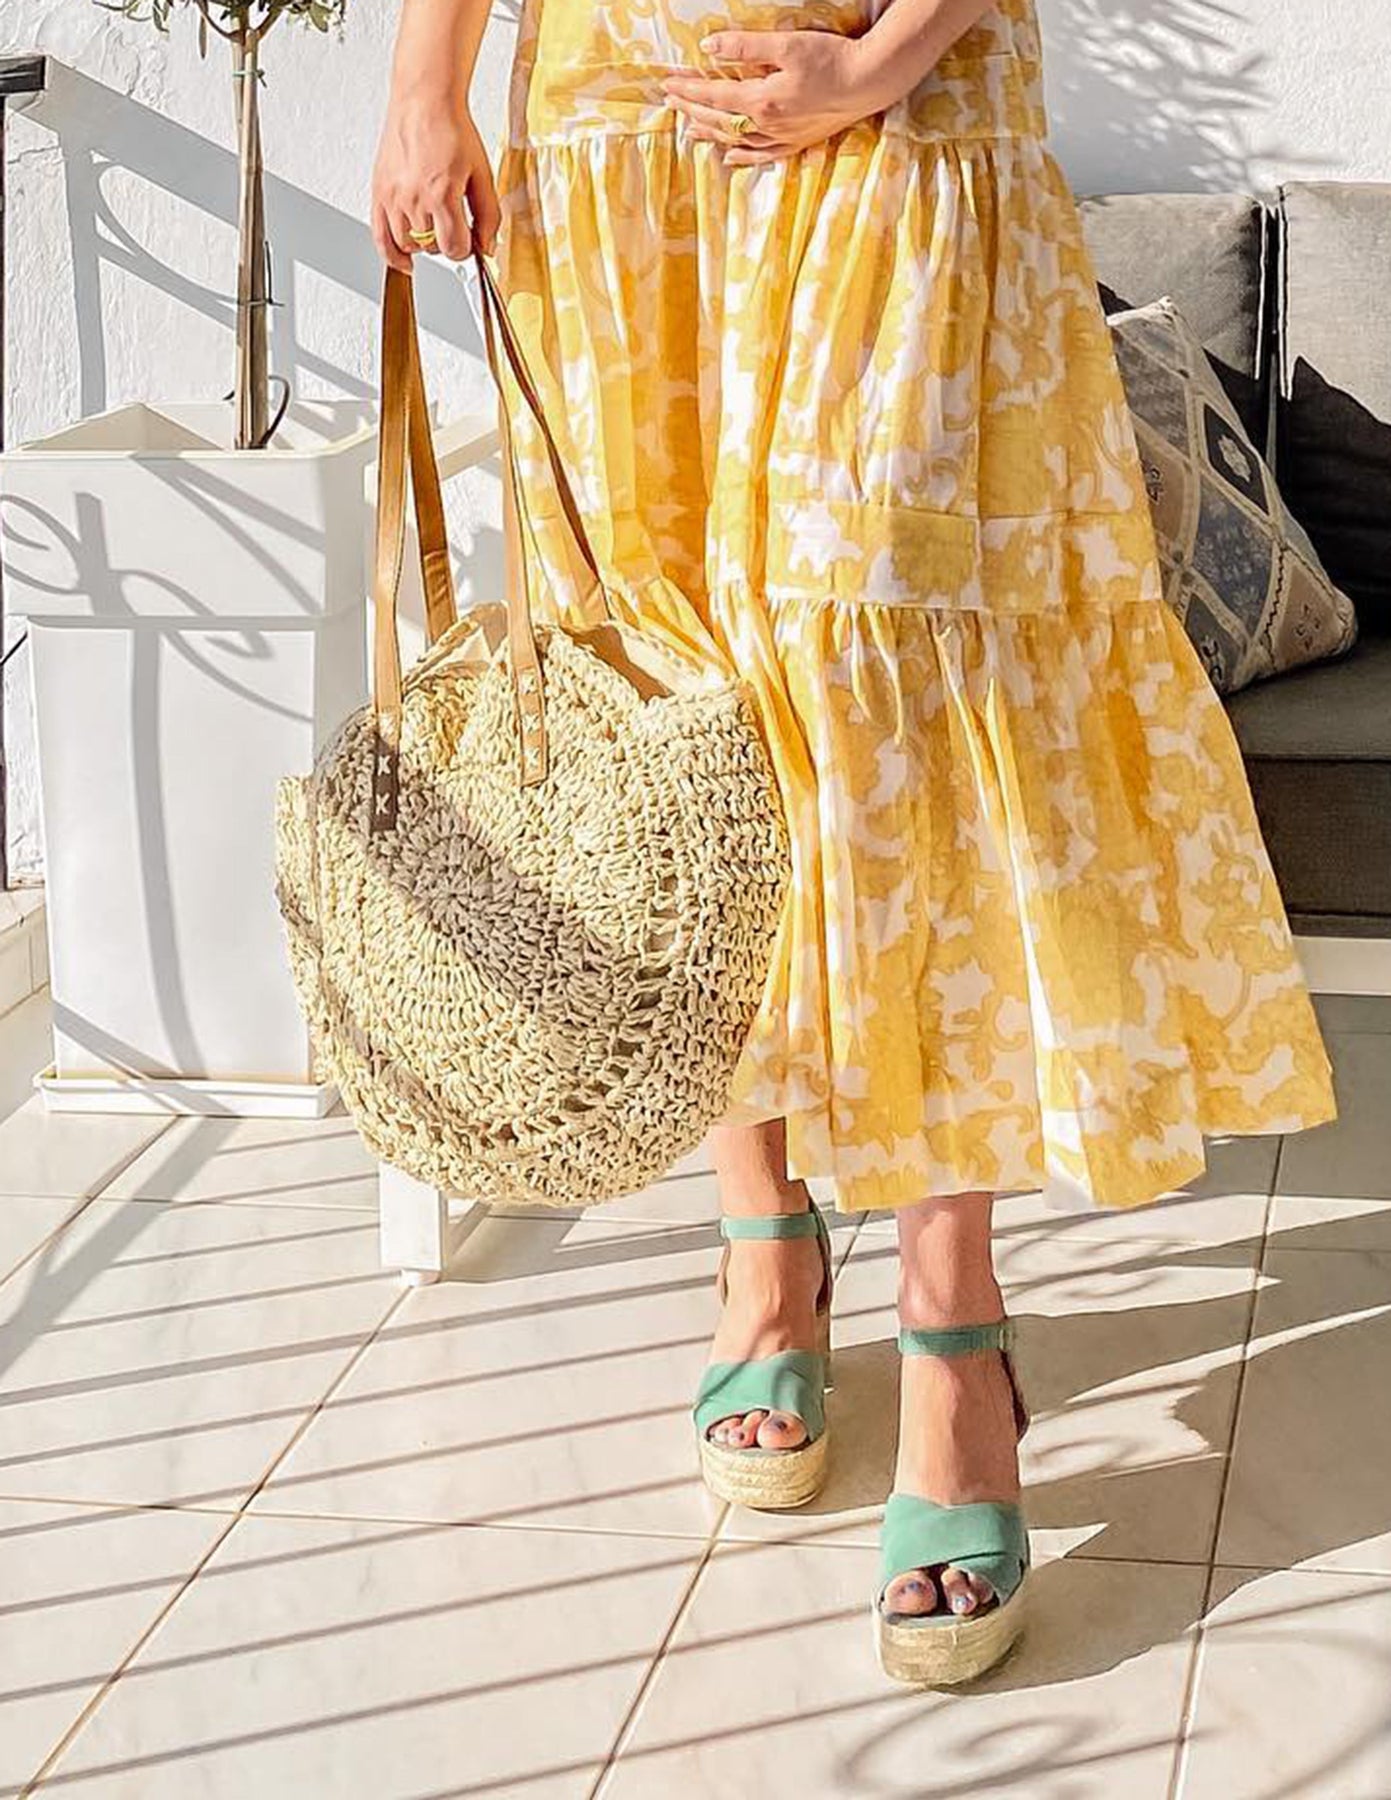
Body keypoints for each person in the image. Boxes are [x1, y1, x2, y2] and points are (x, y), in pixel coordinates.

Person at [371, 0, 1338, 1684]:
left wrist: (884, 60)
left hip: (905, 112)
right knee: (678, 695)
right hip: (615, 130)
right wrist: (421, 82)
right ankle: (766, 1245)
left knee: (903, 717)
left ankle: (957, 1333)